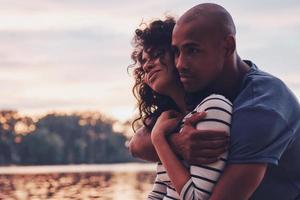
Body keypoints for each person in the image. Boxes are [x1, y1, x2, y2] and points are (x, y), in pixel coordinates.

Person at [130, 3, 300, 200]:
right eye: (177, 52)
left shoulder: (260, 106)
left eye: (192, 50)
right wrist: (174, 142)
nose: (181, 63)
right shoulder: (198, 96)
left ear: (227, 47)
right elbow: (136, 144)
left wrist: (162, 141)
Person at [129, 18, 232, 199]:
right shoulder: (172, 121)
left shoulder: (211, 108)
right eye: (144, 62)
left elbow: (195, 198)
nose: (146, 65)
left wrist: (159, 140)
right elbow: (159, 192)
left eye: (156, 55)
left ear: (178, 55)